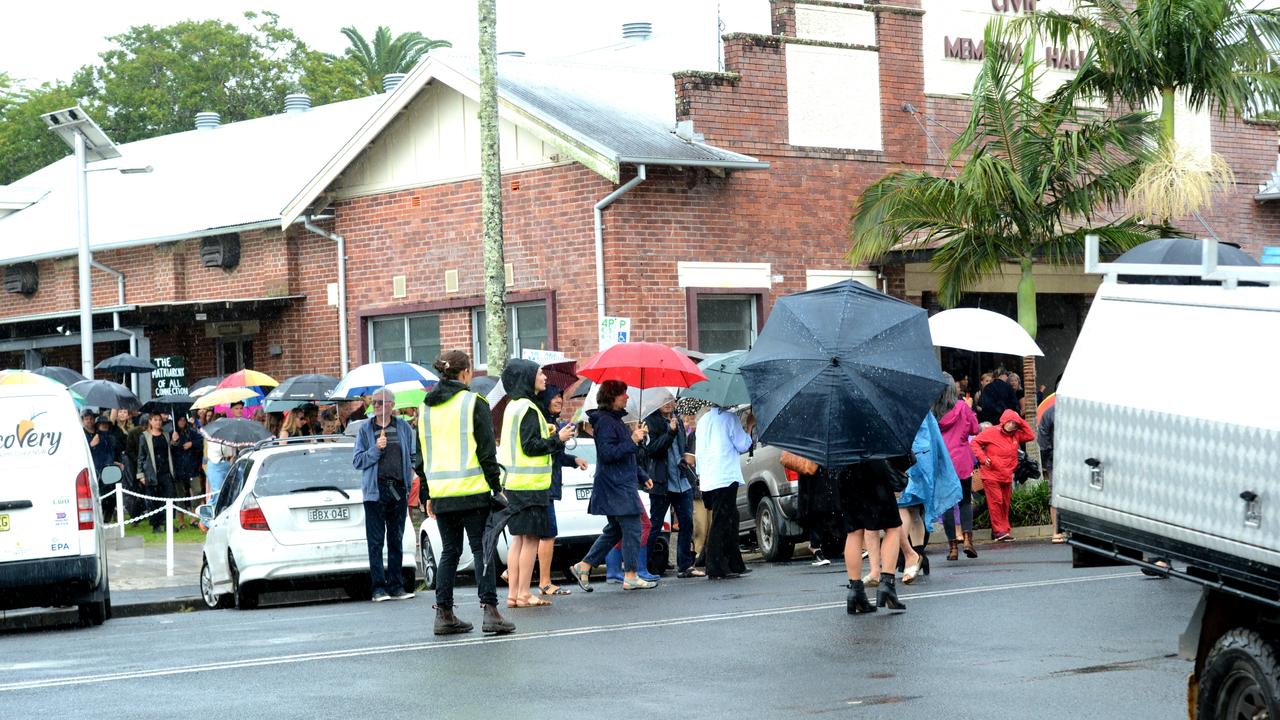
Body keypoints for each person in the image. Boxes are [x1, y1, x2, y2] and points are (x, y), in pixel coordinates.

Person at [417, 350, 514, 635]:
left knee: (450, 551)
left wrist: (427, 494)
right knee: (481, 550)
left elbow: (421, 456)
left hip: (442, 493)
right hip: (473, 491)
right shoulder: (473, 402)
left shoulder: (424, 408)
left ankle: (444, 614)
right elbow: (486, 451)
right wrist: (497, 487)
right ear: (465, 373)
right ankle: (491, 612)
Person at [496, 359, 575, 606]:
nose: (544, 378)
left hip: (514, 484)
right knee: (530, 540)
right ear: (527, 377)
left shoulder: (514, 405)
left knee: (519, 539)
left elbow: (523, 442)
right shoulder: (529, 408)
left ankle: (513, 594)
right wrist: (558, 439)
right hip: (530, 485)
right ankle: (523, 593)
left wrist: (547, 433)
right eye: (539, 373)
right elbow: (531, 447)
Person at [569, 379, 656, 592]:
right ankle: (631, 575)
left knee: (616, 530)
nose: (627, 397)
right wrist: (632, 441)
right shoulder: (606, 422)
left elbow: (625, 457)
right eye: (623, 394)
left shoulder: (614, 421)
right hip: (615, 485)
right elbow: (608, 455)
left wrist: (641, 474)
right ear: (612, 397)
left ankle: (584, 565)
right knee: (634, 527)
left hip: (619, 483)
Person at [352, 387, 418, 602]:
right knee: (376, 541)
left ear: (391, 404)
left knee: (396, 538)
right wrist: (375, 449)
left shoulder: (403, 428)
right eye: (374, 403)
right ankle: (378, 587)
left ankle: (396, 585)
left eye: (381, 402)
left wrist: (411, 480)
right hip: (375, 490)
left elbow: (412, 455)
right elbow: (358, 461)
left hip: (398, 489)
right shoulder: (366, 430)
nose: (377, 406)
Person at [842, 457, 913, 614]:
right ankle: (887, 585)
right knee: (892, 527)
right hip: (873, 467)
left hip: (845, 470)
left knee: (854, 531)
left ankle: (855, 591)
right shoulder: (873, 432)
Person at [897, 413, 962, 584]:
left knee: (902, 507)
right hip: (923, 459)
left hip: (905, 459)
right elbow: (935, 440)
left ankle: (906, 553)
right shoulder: (923, 409)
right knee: (916, 510)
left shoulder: (895, 406)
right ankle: (920, 554)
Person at [535, 385, 586, 597]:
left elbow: (555, 456)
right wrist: (559, 438)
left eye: (560, 397)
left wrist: (574, 460)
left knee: (534, 535)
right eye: (554, 396)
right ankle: (545, 582)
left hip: (549, 483)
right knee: (548, 534)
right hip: (542, 484)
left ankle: (513, 571)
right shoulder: (542, 422)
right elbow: (539, 449)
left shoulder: (554, 423)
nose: (559, 400)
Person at [695, 404, 754, 580]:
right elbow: (743, 444)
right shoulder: (730, 418)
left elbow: (699, 451)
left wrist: (700, 475)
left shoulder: (703, 420)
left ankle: (734, 562)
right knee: (722, 521)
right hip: (725, 475)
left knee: (730, 518)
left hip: (709, 476)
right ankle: (715, 565)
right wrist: (749, 427)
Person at [971, 409, 1035, 542]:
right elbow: (975, 443)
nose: (1012, 425)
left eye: (1015, 424)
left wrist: (1020, 421)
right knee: (996, 502)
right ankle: (999, 531)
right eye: (1010, 422)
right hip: (991, 474)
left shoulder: (1016, 434)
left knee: (1005, 503)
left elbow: (1030, 436)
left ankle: (1004, 530)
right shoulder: (991, 431)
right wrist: (983, 458)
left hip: (1006, 475)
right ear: (1004, 420)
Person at [936, 373, 981, 561]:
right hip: (962, 460)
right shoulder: (962, 407)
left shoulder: (934, 410)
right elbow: (975, 429)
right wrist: (970, 410)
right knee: (965, 501)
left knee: (947, 504)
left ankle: (952, 547)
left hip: (944, 461)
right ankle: (968, 540)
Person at [137, 413, 177, 534]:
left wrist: (174, 442)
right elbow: (141, 456)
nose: (158, 422)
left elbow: (170, 450)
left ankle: (168, 522)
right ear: (150, 421)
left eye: (159, 420)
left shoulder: (166, 434)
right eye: (155, 420)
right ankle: (156, 524)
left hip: (165, 471)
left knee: (169, 497)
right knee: (153, 499)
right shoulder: (144, 436)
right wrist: (140, 475)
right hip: (151, 473)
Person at [171, 415, 203, 530]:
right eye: (180, 419)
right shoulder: (172, 433)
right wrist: (174, 442)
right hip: (178, 469)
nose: (182, 422)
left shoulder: (192, 432)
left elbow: (200, 442)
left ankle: (193, 517)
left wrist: (192, 444)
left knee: (197, 491)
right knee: (180, 496)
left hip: (192, 468)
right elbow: (169, 450)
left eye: (184, 419)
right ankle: (181, 521)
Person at [1038, 402, 1063, 544]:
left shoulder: (1050, 412)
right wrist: (1049, 455)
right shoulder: (1050, 412)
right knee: (1055, 493)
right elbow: (1043, 435)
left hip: (1063, 458)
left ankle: (1060, 531)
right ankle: (1056, 531)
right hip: (1056, 459)